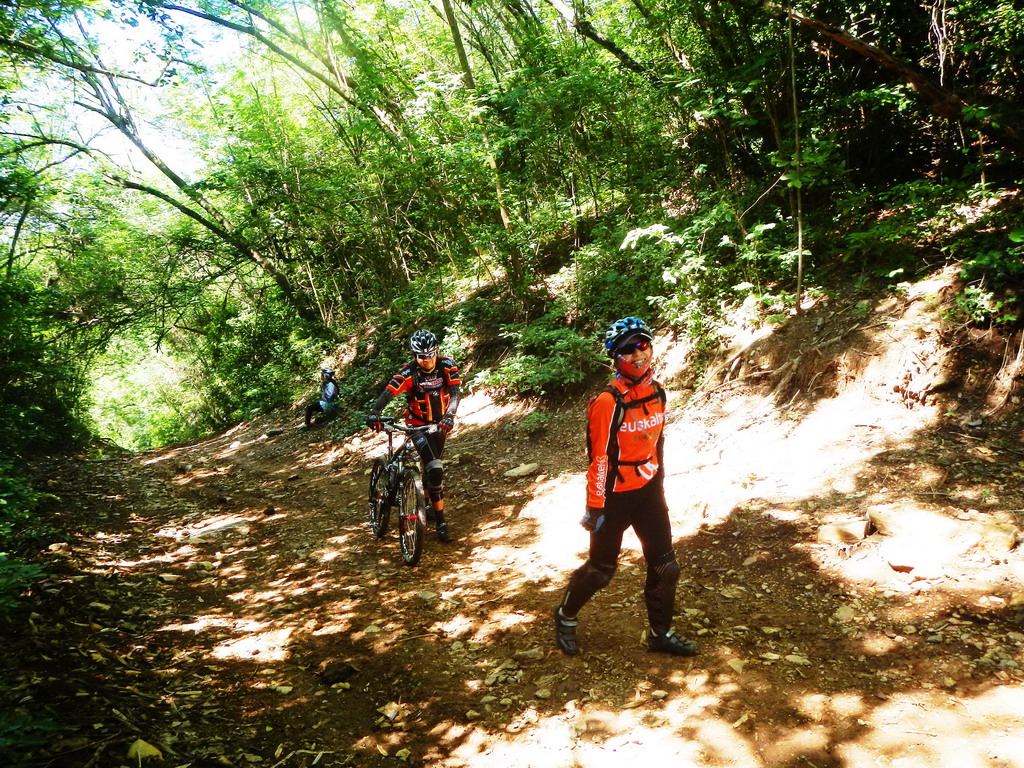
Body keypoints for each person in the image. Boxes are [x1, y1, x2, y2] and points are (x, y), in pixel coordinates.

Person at [553, 317, 698, 657]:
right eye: (628, 350)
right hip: (614, 497)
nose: (637, 355)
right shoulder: (607, 402)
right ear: (615, 357)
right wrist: (595, 507)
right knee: (601, 571)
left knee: (666, 567)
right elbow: (599, 457)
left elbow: (657, 442)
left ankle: (660, 634)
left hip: (648, 492)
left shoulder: (658, 392)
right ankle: (565, 616)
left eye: (642, 345)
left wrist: (659, 482)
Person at [366, 330, 461, 543]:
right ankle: (441, 521)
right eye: (421, 356)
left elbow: (455, 393)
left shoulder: (447, 365)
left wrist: (450, 415)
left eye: (430, 354)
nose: (426, 360)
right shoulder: (409, 372)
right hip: (417, 425)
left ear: (436, 351)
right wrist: (375, 412)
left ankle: (425, 506)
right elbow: (388, 392)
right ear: (414, 356)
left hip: (440, 425)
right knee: (435, 468)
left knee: (431, 471)